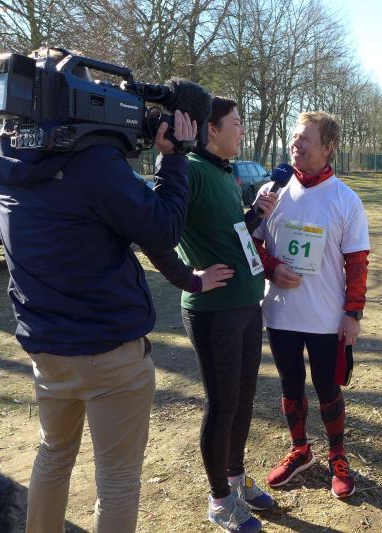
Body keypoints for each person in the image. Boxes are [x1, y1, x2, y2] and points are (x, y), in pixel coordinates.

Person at [0, 61, 197, 532]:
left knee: (53, 454)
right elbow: (163, 227)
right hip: (109, 350)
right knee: (117, 480)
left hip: (46, 347)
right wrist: (174, 159)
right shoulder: (94, 165)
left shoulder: (2, 159)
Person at [143, 97, 277, 533]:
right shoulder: (191, 169)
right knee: (223, 405)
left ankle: (235, 479)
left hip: (246, 305)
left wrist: (254, 215)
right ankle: (220, 501)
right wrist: (190, 278)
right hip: (214, 312)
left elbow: (227, 231)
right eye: (236, 123)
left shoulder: (222, 172)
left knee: (243, 400)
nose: (242, 130)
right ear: (211, 129)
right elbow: (155, 233)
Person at [253, 111, 370, 499]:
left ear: (328, 147)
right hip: (280, 312)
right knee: (290, 386)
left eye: (305, 138)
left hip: (325, 317)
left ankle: (337, 455)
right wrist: (271, 268)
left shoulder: (345, 199)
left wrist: (352, 314)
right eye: (293, 136)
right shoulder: (272, 190)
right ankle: (300, 450)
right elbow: (249, 244)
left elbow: (357, 262)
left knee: (327, 387)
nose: (295, 144)